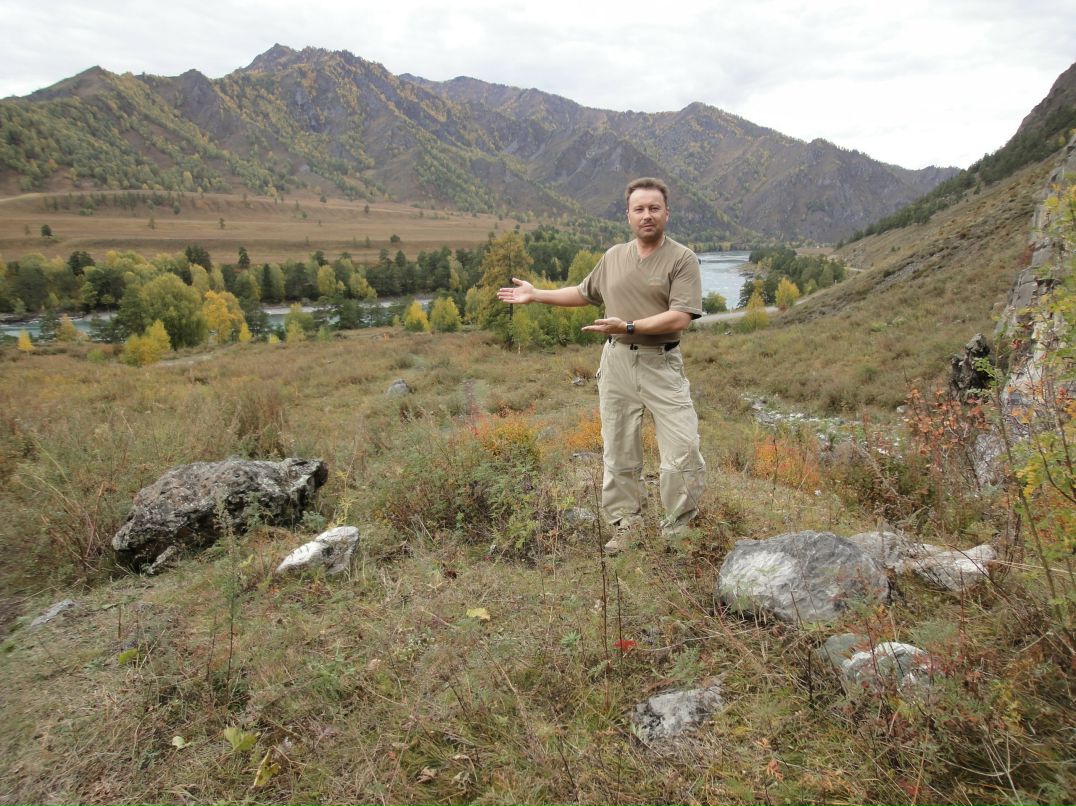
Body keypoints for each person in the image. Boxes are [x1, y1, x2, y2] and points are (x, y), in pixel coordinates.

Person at [497, 177, 705, 554]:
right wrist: (535, 295)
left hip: (661, 364)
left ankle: (678, 533)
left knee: (683, 448)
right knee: (619, 450)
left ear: (667, 214)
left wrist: (628, 325)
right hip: (616, 364)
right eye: (639, 209)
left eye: (654, 208)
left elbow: (679, 317)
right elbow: (582, 293)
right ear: (627, 215)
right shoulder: (613, 257)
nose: (647, 215)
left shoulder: (681, 258)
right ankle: (627, 526)